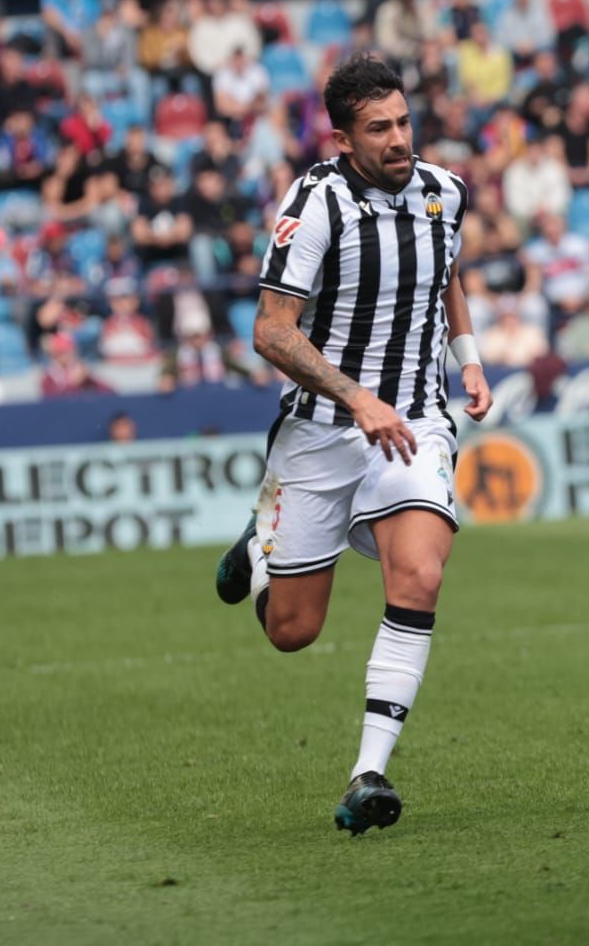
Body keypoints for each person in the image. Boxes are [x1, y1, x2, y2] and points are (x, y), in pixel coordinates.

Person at [211, 55, 494, 836]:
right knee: (292, 632)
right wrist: (355, 396)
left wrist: (468, 360)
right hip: (323, 430)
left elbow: (447, 276)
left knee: (421, 573)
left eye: (404, 122)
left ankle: (369, 772)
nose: (399, 139)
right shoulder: (316, 202)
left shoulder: (445, 191)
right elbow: (272, 330)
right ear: (343, 138)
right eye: (380, 129)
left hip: (415, 424)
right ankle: (260, 546)